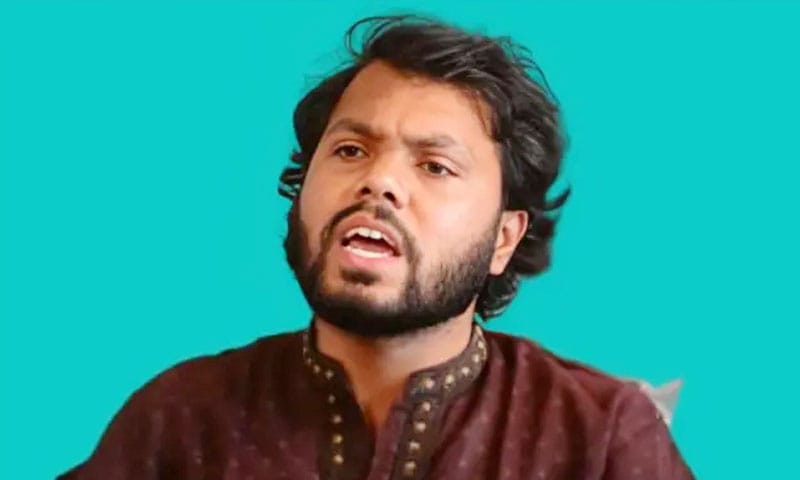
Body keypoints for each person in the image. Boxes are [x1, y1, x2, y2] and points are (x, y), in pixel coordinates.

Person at [58, 15, 695, 480]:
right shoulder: (180, 420)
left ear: (504, 239)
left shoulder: (600, 437)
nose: (379, 181)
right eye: (350, 150)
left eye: (435, 166)